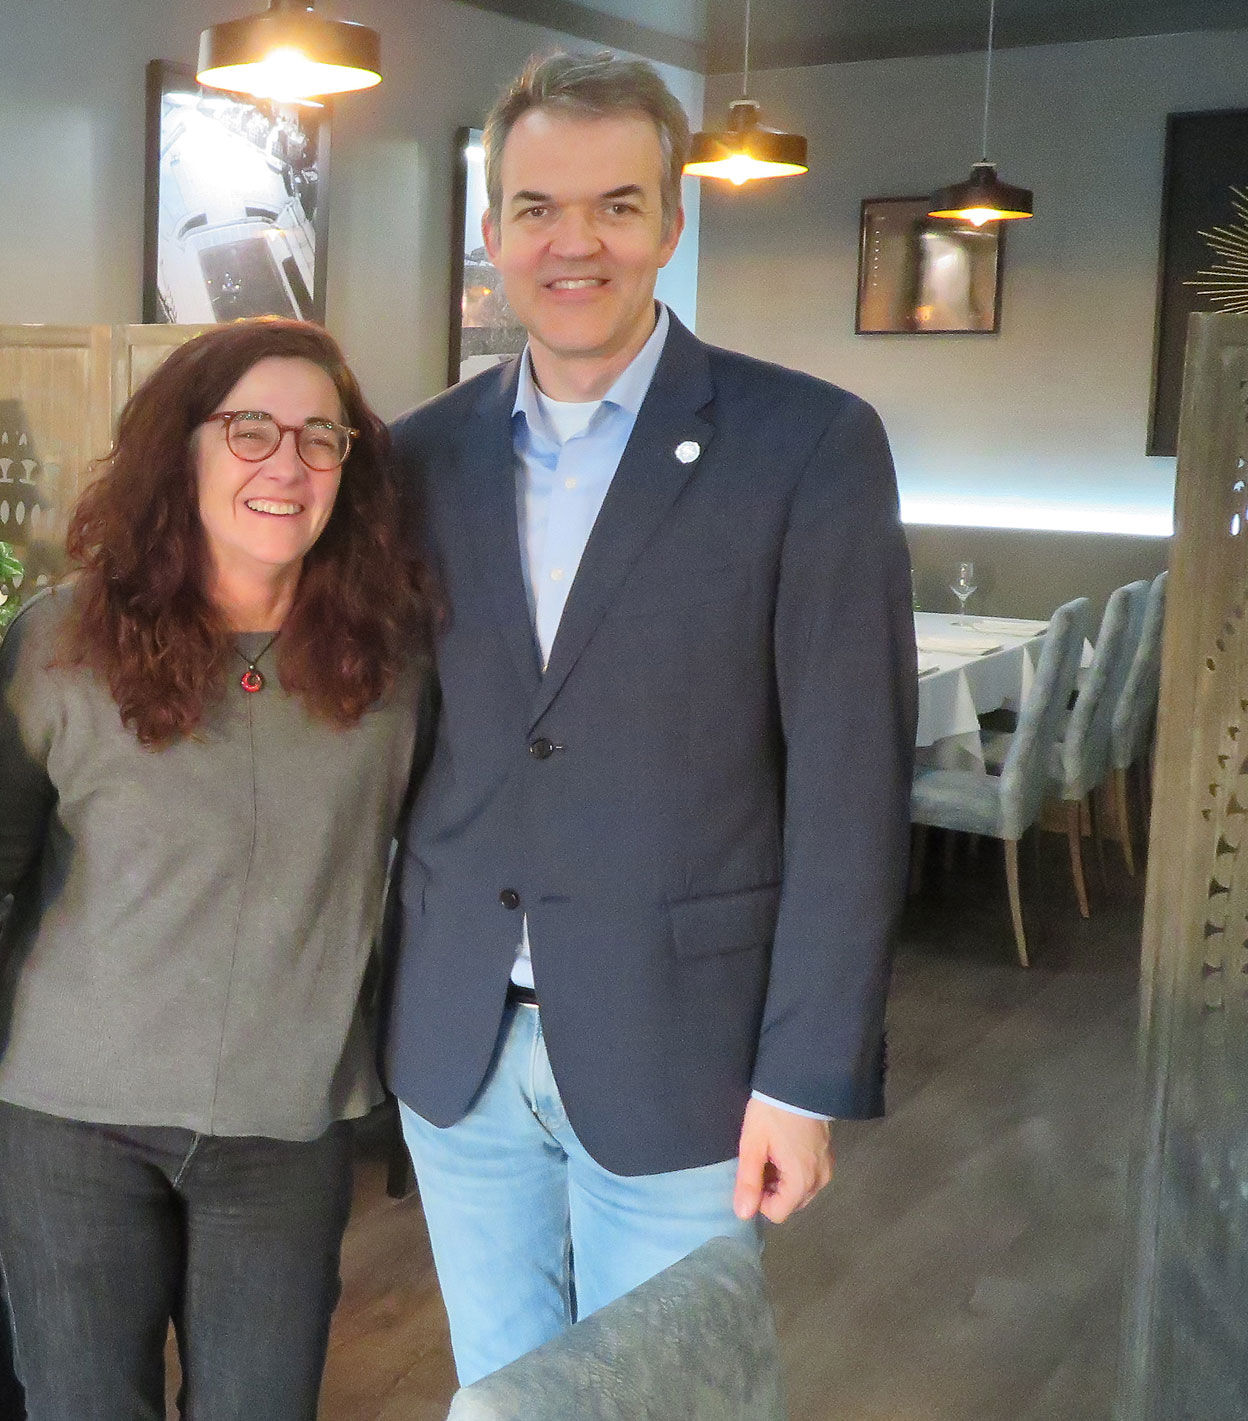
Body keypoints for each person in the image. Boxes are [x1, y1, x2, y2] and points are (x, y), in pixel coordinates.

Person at [387, 50, 918, 1385]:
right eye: (536, 209)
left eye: (617, 206)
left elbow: (852, 788)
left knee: (677, 1402)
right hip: (456, 1051)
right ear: (493, 230)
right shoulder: (415, 457)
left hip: (686, 1052)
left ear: (671, 225)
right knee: (502, 1395)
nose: (575, 244)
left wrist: (806, 1078)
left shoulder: (808, 444)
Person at [0, 319, 434, 1421]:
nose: (288, 462)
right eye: (251, 430)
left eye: (320, 437)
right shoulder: (60, 645)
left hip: (286, 1129)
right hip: (67, 1124)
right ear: (180, 450)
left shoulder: (395, 663)